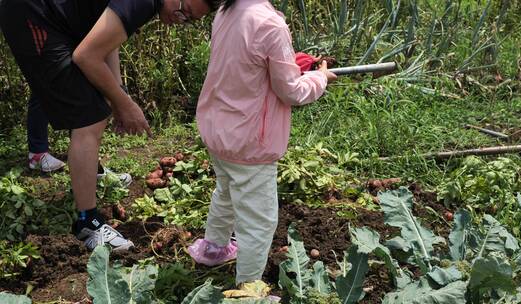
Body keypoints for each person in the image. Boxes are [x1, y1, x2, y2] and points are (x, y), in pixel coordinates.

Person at [0, 0, 222, 251]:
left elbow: (105, 40)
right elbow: (86, 56)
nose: (180, 19)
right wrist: (125, 105)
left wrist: (117, 93)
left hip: (59, 19)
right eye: (184, 11)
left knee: (99, 101)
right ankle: (89, 223)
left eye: (188, 20)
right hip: (33, 14)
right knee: (90, 117)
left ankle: (92, 174)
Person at [187, 0, 337, 287]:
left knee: (227, 192)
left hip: (219, 130)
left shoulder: (226, 11)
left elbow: (250, 67)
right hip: (250, 141)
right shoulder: (270, 24)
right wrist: (319, 78)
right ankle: (248, 288)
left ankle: (214, 248)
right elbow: (291, 91)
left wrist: (294, 65)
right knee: (258, 221)